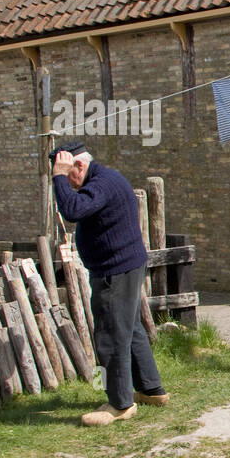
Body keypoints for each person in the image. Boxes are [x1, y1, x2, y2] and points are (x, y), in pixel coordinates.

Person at [51, 142, 169, 427]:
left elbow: (71, 210)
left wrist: (57, 177)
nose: (67, 182)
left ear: (79, 166)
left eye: (68, 174)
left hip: (115, 270)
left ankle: (119, 403)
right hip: (125, 264)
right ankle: (151, 390)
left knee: (110, 335)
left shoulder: (101, 184)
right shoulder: (106, 178)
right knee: (131, 329)